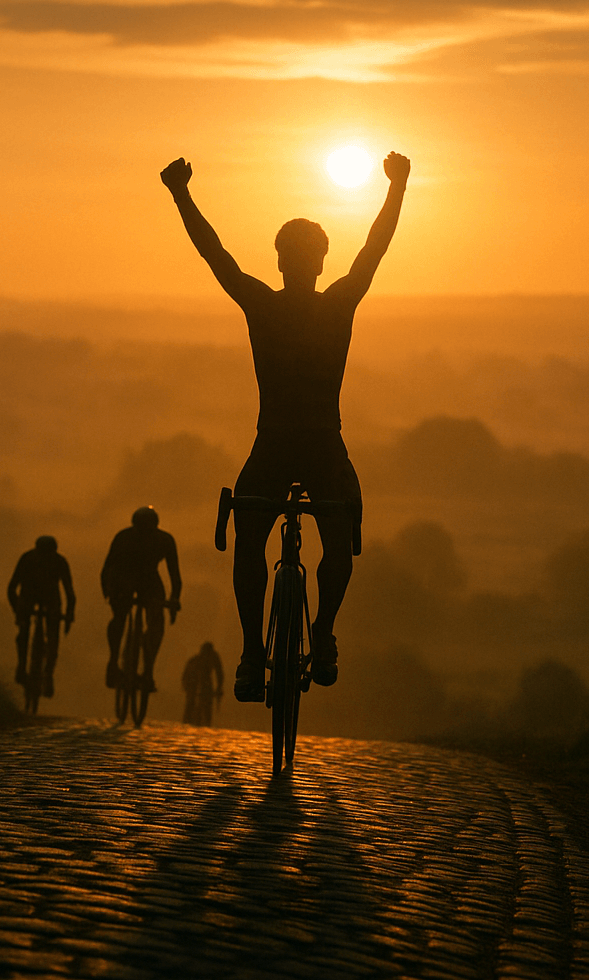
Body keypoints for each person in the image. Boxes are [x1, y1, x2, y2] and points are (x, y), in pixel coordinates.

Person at [160, 150, 410, 701]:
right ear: (322, 263)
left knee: (251, 540)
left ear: (279, 263)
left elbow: (215, 255)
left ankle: (252, 652)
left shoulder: (261, 303)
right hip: (323, 446)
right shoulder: (339, 301)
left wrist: (181, 193)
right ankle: (322, 636)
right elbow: (375, 248)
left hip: (272, 448)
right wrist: (397, 187)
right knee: (337, 543)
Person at [101, 506, 181, 692]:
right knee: (122, 618)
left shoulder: (159, 540)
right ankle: (115, 662)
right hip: (127, 578)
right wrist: (110, 592)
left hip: (145, 580)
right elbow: (109, 568)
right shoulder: (132, 538)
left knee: (154, 624)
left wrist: (174, 599)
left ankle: (146, 668)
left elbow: (175, 573)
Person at [6, 535, 75, 696]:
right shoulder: (58, 561)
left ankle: (26, 668)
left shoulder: (29, 558)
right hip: (40, 598)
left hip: (35, 598)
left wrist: (17, 609)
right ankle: (42, 672)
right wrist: (69, 614)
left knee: (28, 632)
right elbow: (69, 592)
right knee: (51, 636)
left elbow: (11, 588)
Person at [181, 642, 225, 727]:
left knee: (205, 708)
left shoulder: (210, 657)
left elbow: (219, 674)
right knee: (192, 706)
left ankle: (198, 723)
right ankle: (189, 723)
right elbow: (219, 674)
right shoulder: (196, 660)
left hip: (204, 685)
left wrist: (219, 688)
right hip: (195, 685)